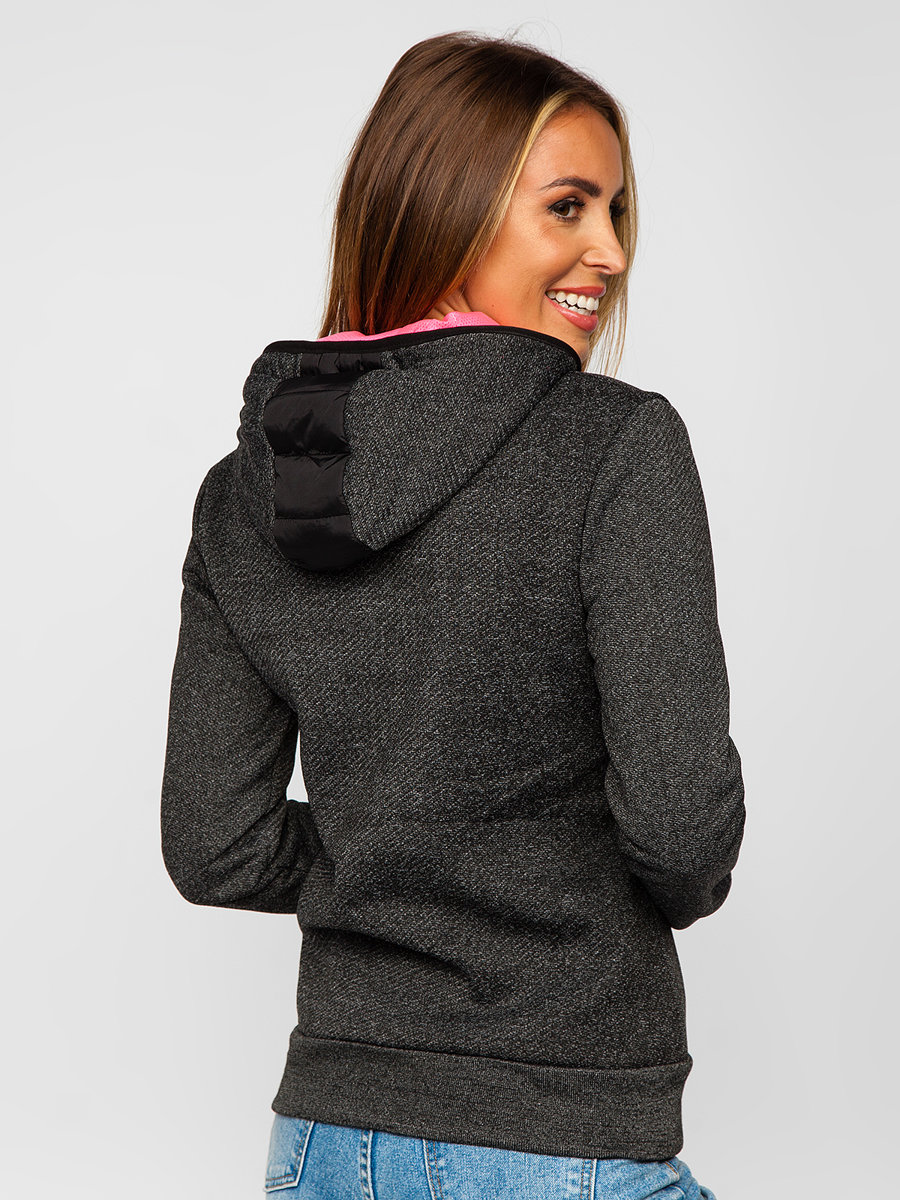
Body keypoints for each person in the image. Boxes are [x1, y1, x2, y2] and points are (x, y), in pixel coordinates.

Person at [160, 30, 745, 1200]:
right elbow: (681, 831)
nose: (612, 250)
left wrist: (391, 858)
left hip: (326, 1143)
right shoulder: (617, 446)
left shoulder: (245, 493)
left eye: (617, 210)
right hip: (562, 1130)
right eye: (568, 207)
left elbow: (214, 845)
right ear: (449, 209)